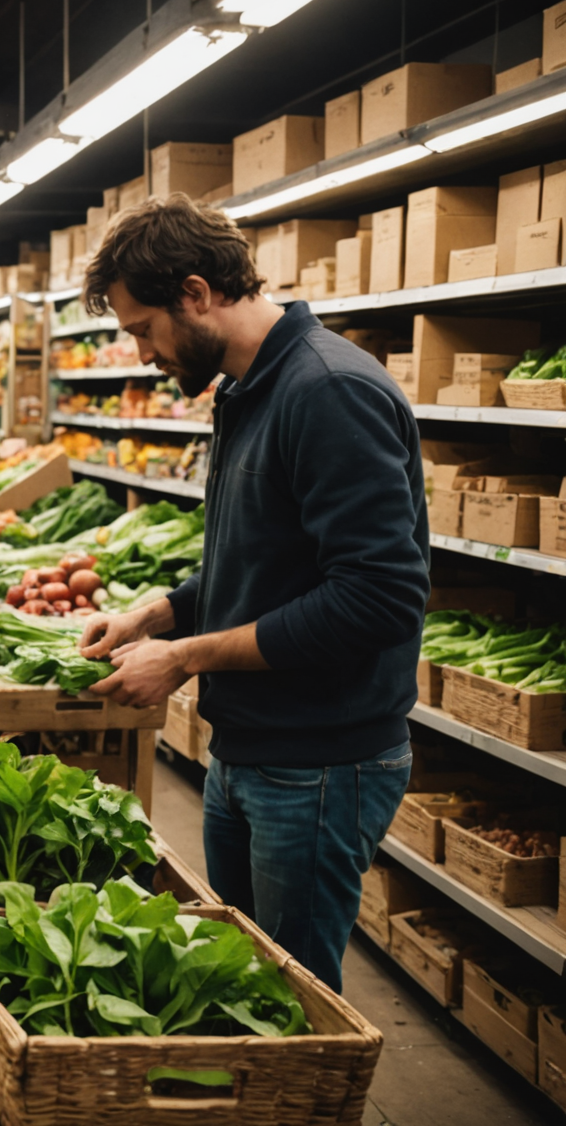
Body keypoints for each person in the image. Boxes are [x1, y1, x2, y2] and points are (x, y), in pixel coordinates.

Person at [74, 194, 428, 995]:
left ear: (196, 294)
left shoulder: (328, 391)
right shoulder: (246, 391)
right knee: (241, 989)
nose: (141, 354)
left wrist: (184, 658)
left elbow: (378, 597)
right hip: (248, 748)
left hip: (320, 760)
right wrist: (159, 613)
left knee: (290, 1003)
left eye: (143, 329)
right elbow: (261, 560)